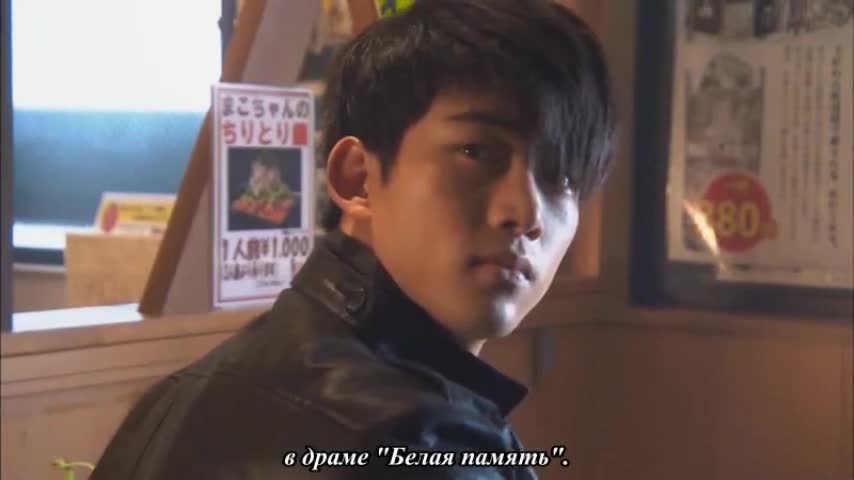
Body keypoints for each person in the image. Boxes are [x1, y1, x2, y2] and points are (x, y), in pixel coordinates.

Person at [90, 0, 617, 478]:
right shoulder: (416, 445)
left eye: (561, 178)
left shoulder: (175, 399)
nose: (526, 213)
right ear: (357, 178)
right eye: (477, 152)